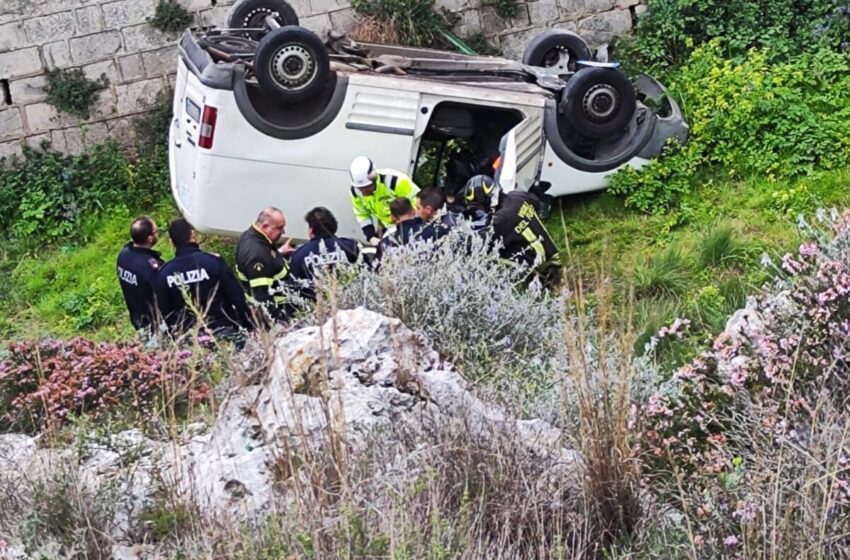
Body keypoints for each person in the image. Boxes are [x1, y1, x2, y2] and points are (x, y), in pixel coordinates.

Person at [156, 219, 253, 340]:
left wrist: (177, 338)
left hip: (189, 340)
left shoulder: (164, 274)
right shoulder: (214, 262)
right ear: (193, 235)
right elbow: (237, 297)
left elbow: (166, 313)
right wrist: (248, 325)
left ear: (171, 242)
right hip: (223, 332)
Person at [462, 175, 562, 286]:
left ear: (487, 200)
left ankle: (532, 281)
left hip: (537, 261)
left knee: (486, 257)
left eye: (478, 207)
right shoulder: (516, 196)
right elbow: (535, 201)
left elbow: (480, 245)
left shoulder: (501, 219)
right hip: (550, 253)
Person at [235, 207, 296, 322]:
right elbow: (263, 298)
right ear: (265, 227)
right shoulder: (257, 255)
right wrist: (281, 323)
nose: (283, 232)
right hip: (280, 310)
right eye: (279, 228)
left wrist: (280, 253)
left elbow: (268, 261)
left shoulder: (254, 236)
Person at [289, 207, 360, 298]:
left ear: (311, 230)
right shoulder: (350, 246)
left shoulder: (299, 256)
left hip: (317, 307)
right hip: (348, 304)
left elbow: (295, 289)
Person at [349, 156, 419, 244]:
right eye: (360, 188)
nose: (364, 191)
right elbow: (362, 215)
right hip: (387, 229)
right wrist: (371, 237)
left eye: (367, 187)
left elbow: (417, 205)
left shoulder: (396, 181)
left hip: (409, 225)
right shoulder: (355, 192)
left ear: (374, 178)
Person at [117, 216, 165, 334]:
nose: (158, 234)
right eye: (156, 232)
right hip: (155, 325)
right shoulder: (150, 267)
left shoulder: (123, 255)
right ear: (149, 238)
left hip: (137, 318)